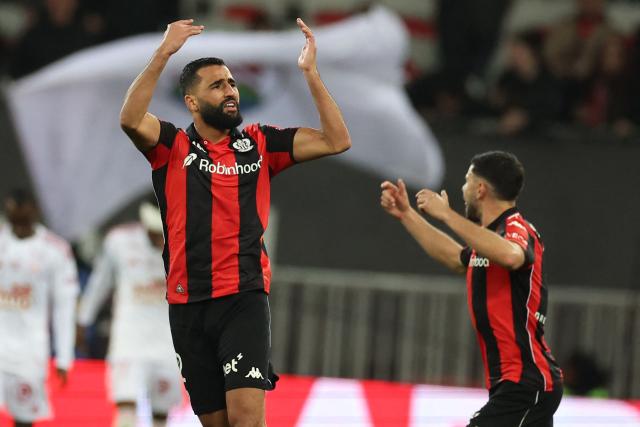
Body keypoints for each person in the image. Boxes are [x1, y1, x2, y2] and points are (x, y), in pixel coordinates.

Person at [119, 18, 351, 427]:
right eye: (217, 85)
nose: (230, 91)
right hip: (187, 305)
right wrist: (163, 54)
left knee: (246, 421)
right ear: (191, 102)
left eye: (231, 83)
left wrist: (311, 75)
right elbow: (130, 119)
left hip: (242, 298)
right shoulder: (173, 146)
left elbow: (336, 139)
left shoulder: (259, 144)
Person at [380, 151, 562, 427]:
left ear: (480, 189)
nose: (462, 190)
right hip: (518, 384)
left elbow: (513, 256)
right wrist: (407, 215)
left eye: (466, 181)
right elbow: (456, 258)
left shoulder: (515, 227)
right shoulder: (489, 240)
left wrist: (447, 215)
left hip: (525, 383)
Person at [77, 202, 182, 427]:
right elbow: (100, 282)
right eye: (154, 234)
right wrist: (83, 320)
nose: (158, 240)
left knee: (161, 412)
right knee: (125, 404)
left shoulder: (186, 243)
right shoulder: (119, 241)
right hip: (129, 341)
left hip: (169, 343)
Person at [0, 189, 79, 427]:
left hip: (29, 353)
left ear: (34, 210)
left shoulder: (55, 250)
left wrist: (64, 357)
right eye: (13, 209)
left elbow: (64, 307)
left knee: (24, 420)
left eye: (23, 210)